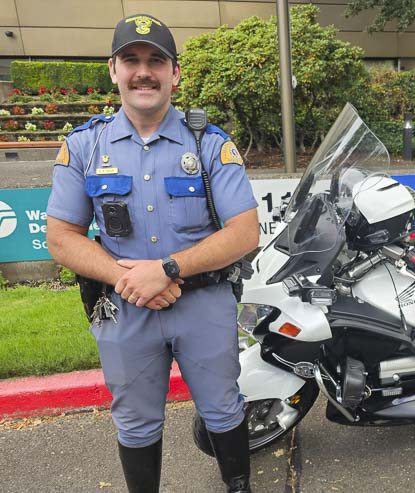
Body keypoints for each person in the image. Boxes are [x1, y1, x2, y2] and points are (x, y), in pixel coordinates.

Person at [46, 14, 259, 493]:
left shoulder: (209, 143)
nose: (144, 72)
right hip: (125, 308)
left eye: (156, 61)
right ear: (113, 70)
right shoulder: (85, 146)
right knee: (136, 421)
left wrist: (167, 269)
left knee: (223, 407)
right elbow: (61, 236)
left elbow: (245, 232)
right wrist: (129, 279)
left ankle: (239, 487)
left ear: (174, 73)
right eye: (131, 60)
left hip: (203, 304)